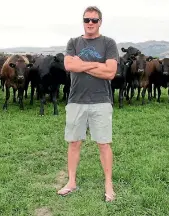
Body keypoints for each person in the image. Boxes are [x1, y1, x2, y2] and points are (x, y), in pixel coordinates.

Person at [57, 6, 119, 202]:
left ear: (100, 22)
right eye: (87, 20)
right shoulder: (73, 42)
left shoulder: (108, 43)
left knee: (103, 144)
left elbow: (110, 73)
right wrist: (97, 65)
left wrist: (82, 64)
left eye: (94, 20)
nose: (90, 23)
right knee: (74, 143)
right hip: (76, 100)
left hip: (101, 100)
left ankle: (108, 184)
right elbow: (69, 66)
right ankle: (71, 181)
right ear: (83, 21)